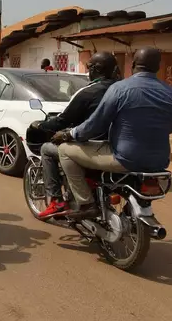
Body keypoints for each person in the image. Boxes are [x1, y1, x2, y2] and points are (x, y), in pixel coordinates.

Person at [51, 47, 172, 218]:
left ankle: (86, 203)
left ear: (133, 64)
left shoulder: (120, 89)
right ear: (157, 67)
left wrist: (70, 134)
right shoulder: (169, 92)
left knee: (65, 150)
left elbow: (96, 124)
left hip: (125, 158)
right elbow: (171, 126)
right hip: (160, 161)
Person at [31, 52, 119, 219]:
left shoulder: (87, 92)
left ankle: (56, 201)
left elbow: (63, 120)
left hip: (93, 146)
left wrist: (41, 125)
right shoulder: (121, 89)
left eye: (88, 67)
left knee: (47, 149)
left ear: (94, 69)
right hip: (118, 146)